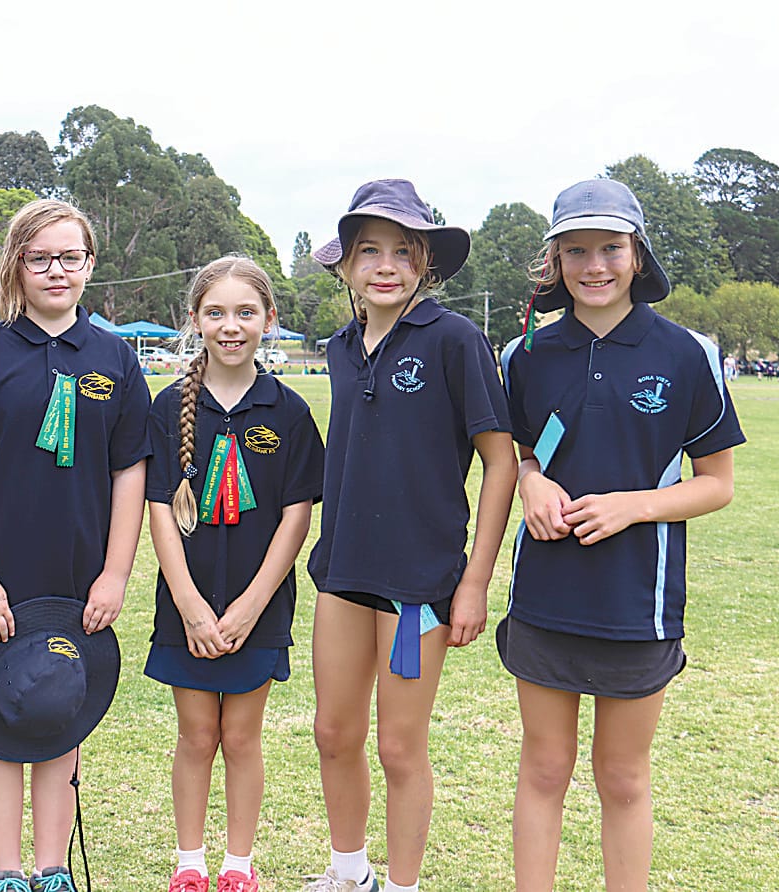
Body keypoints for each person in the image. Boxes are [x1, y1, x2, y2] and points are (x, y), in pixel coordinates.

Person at [498, 179, 743, 892]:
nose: (593, 265)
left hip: (638, 604)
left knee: (623, 779)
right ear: (554, 261)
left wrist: (632, 507)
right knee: (543, 770)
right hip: (544, 597)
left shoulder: (686, 353)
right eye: (574, 250)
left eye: (610, 247)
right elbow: (514, 454)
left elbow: (716, 483)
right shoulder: (524, 357)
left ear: (637, 255)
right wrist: (528, 479)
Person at [0, 198, 151, 892]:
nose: (56, 270)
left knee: (59, 713)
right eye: (40, 257)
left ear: (89, 265)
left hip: (76, 575)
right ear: (17, 264)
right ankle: (5, 872)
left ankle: (52, 869)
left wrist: (113, 574)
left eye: (70, 257)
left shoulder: (116, 360)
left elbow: (129, 472)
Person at [302, 180, 517, 892]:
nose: (385, 265)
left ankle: (403, 885)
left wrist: (475, 580)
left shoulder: (455, 339)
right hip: (341, 572)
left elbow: (498, 462)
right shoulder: (337, 346)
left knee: (398, 747)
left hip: (419, 586)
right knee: (333, 734)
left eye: (402, 250)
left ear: (425, 263)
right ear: (344, 266)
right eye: (369, 251)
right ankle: (349, 872)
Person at [145, 256, 324, 892]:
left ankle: (237, 866)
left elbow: (295, 519)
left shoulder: (290, 411)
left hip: (260, 607)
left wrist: (249, 606)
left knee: (242, 737)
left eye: (245, 313)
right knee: (195, 735)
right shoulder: (168, 408)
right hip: (186, 607)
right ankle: (190, 862)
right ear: (195, 321)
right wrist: (191, 604)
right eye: (216, 313)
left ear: (269, 321)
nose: (230, 326)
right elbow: (160, 510)